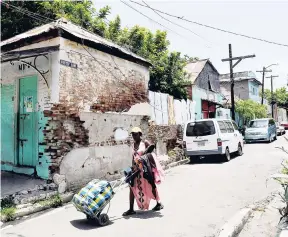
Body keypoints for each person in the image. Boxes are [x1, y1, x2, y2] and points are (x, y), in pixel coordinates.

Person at [123, 127, 164, 216]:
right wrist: (132, 167)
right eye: (133, 134)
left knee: (151, 185)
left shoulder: (144, 142)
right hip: (136, 170)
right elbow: (133, 158)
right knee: (132, 187)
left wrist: (143, 156)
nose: (134, 136)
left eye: (136, 134)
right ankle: (131, 209)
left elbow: (152, 149)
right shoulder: (133, 145)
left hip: (145, 170)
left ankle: (158, 203)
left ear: (140, 134)